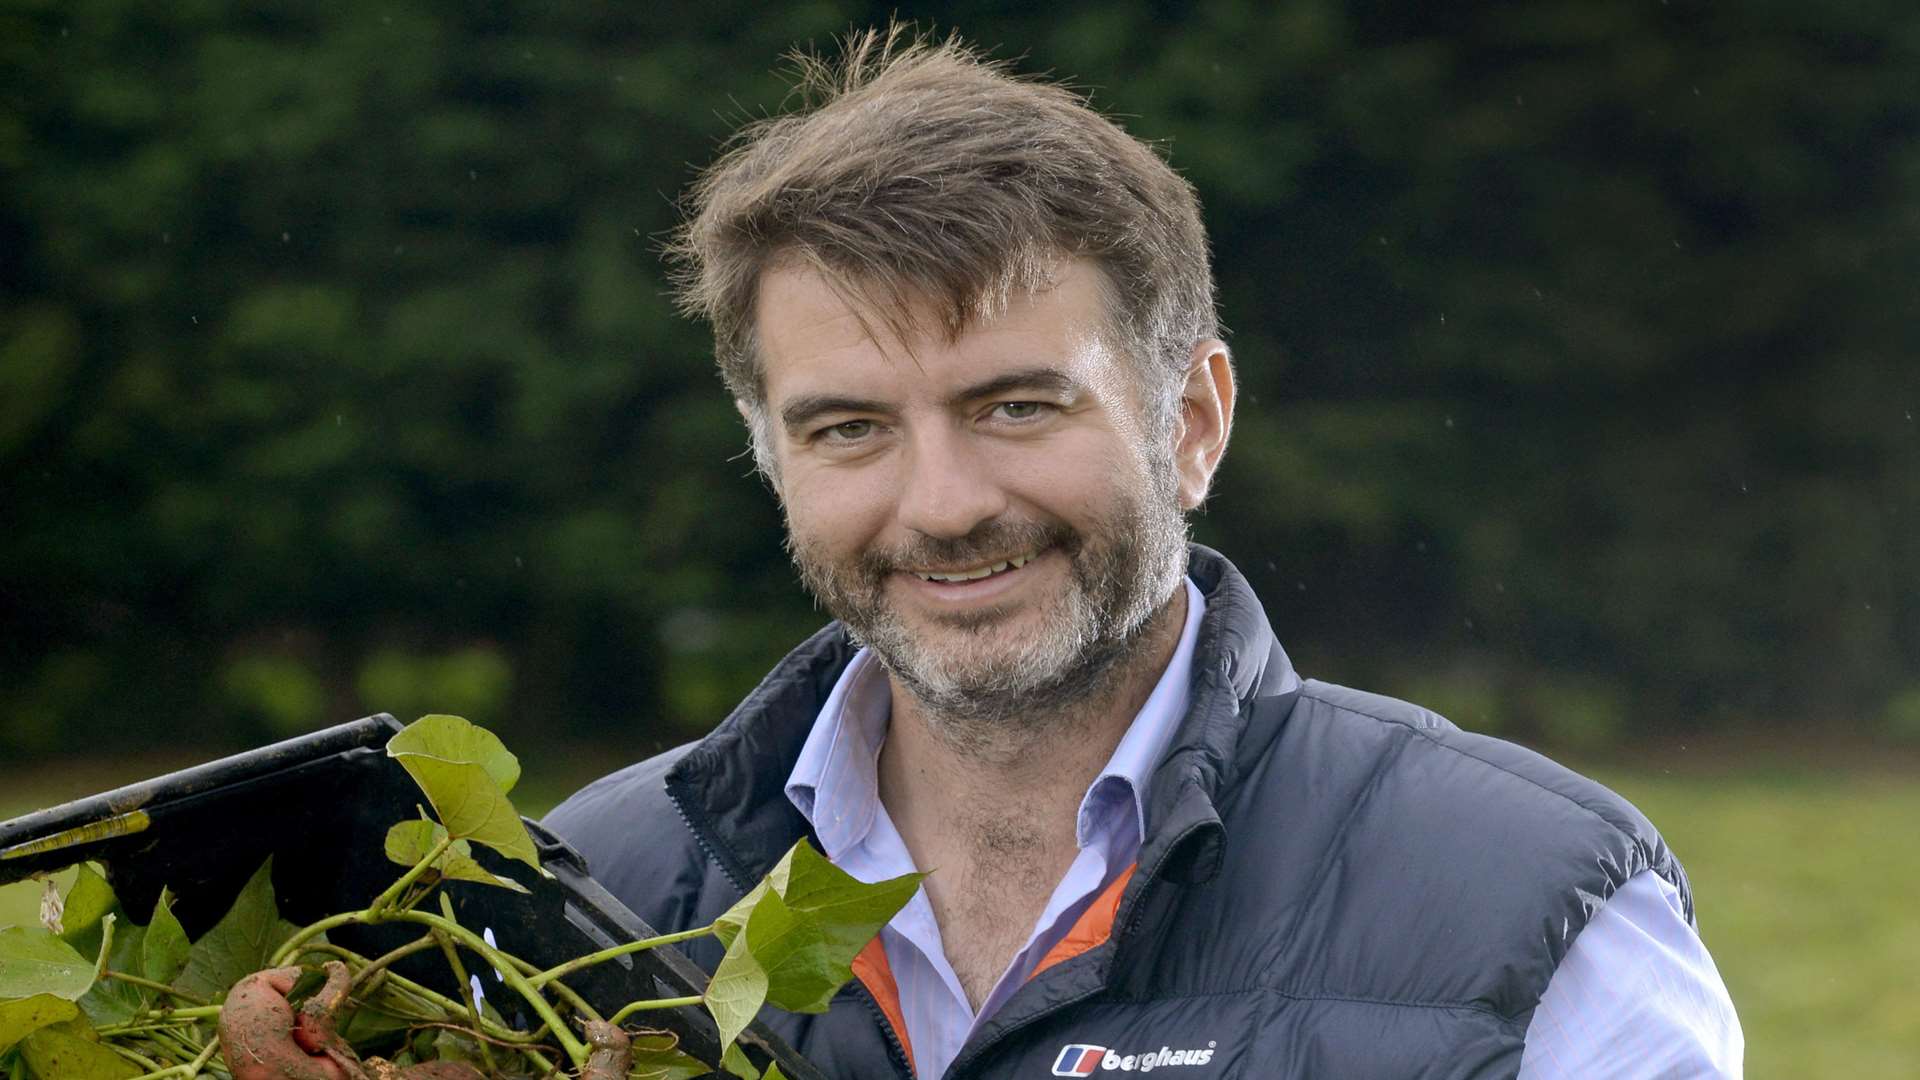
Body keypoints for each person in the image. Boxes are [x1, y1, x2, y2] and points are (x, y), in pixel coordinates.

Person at [545, 28, 1742, 1079]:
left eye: (1018, 407)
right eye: (849, 429)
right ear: (772, 457)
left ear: (1194, 422)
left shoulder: (1529, 911)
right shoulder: (589, 895)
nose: (946, 505)